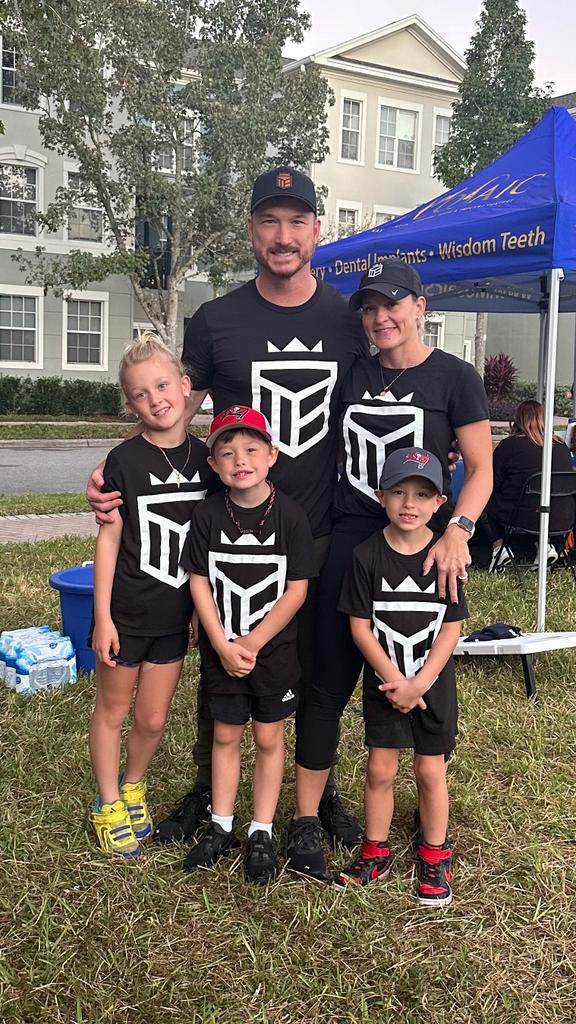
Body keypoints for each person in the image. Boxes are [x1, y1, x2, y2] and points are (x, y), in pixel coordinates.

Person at [87, 165, 368, 850]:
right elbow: (169, 411)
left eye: (296, 222)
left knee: (312, 671)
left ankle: (315, 798)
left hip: (313, 528)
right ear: (251, 231)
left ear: (316, 231)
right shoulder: (216, 321)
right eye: (269, 221)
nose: (283, 236)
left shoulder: (346, 319)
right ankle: (206, 794)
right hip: (226, 533)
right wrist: (113, 472)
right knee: (220, 665)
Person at [288, 260, 492, 881]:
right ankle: (307, 817)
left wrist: (458, 530)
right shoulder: (352, 372)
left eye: (393, 304)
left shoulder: (455, 377)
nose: (381, 317)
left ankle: (427, 824)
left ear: (421, 307)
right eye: (371, 308)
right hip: (351, 539)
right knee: (327, 681)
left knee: (420, 673)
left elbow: (480, 468)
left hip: (425, 548)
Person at [88, 334, 213, 858]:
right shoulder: (123, 460)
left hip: (175, 616)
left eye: (162, 386)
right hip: (127, 611)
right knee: (113, 709)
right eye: (140, 394)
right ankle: (108, 803)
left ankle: (134, 785)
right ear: (130, 404)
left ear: (184, 386)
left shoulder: (208, 459)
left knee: (154, 717)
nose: (155, 400)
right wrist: (102, 617)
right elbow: (109, 539)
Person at [180, 405, 313, 884]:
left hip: (271, 653)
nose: (241, 460)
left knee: (268, 737)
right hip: (222, 651)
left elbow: (296, 589)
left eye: (252, 449)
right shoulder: (207, 514)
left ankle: (261, 830)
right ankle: (220, 825)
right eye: (228, 452)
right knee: (225, 734)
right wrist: (220, 642)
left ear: (272, 455)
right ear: (213, 464)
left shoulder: (291, 516)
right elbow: (198, 580)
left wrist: (253, 642)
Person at [333, 448, 467, 906]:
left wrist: (420, 683)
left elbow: (451, 628)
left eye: (423, 494)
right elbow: (359, 627)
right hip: (385, 682)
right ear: (380, 496)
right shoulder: (366, 555)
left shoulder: (446, 556)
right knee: (380, 769)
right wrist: (394, 681)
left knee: (431, 770)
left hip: (433, 685)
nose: (409, 503)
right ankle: (375, 852)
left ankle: (435, 854)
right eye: (399, 492)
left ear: (440, 502)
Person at [484, 399, 575, 570]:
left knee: (482, 499)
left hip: (520, 516)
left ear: (518, 419)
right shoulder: (561, 447)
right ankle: (545, 546)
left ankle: (499, 547)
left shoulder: (508, 446)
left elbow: (491, 483)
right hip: (562, 518)